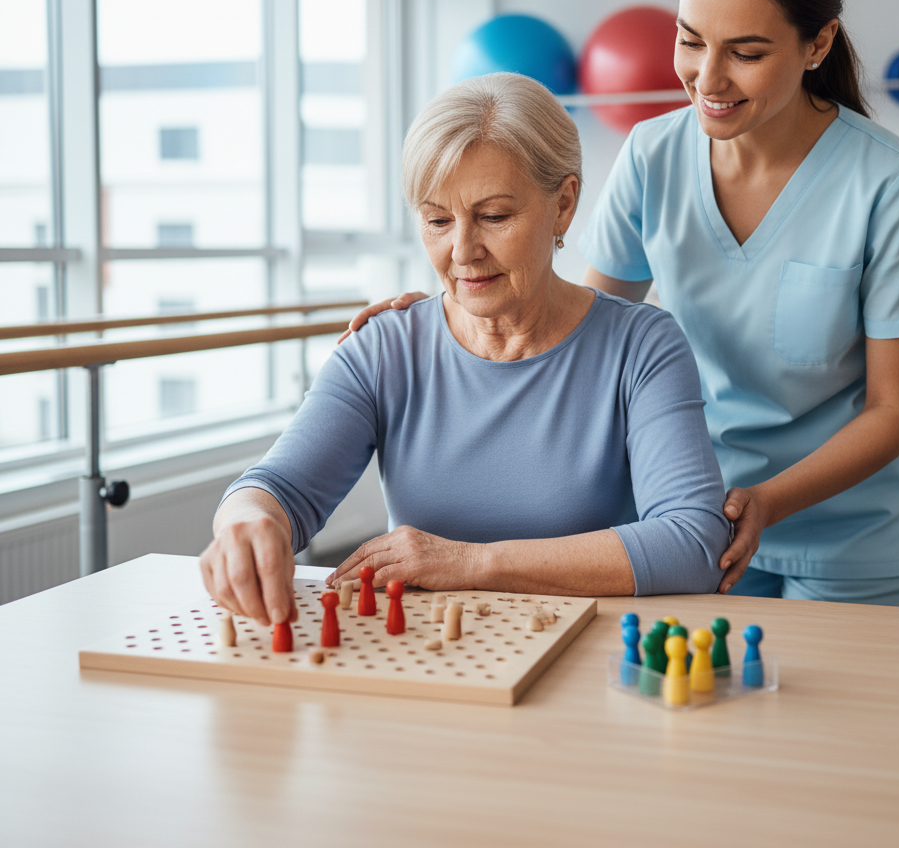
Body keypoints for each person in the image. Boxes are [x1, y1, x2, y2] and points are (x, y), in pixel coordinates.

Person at [347, 0, 899, 608]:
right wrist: (448, 314)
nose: (707, 78)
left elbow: (893, 411)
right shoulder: (653, 154)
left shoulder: (892, 184)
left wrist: (768, 499)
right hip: (689, 522)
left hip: (845, 538)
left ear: (818, 43)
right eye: (690, 41)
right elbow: (582, 330)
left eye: (746, 53)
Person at [200, 72, 729, 625]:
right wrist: (248, 523)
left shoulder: (642, 345)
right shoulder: (384, 348)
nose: (462, 251)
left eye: (494, 217)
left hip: (588, 654)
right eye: (437, 220)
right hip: (428, 654)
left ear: (564, 204)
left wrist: (470, 562)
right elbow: (276, 488)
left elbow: (692, 543)